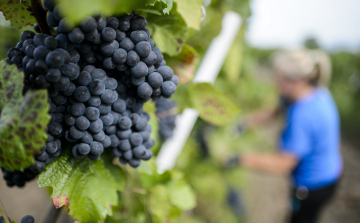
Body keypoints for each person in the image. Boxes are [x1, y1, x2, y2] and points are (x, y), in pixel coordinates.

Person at [227, 49, 343, 223]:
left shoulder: (302, 115)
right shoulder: (316, 90)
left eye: (280, 79)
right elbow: (275, 111)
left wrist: (239, 159)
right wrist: (243, 123)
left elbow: (283, 163)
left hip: (314, 186)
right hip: (331, 170)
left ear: (298, 81)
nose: (276, 84)